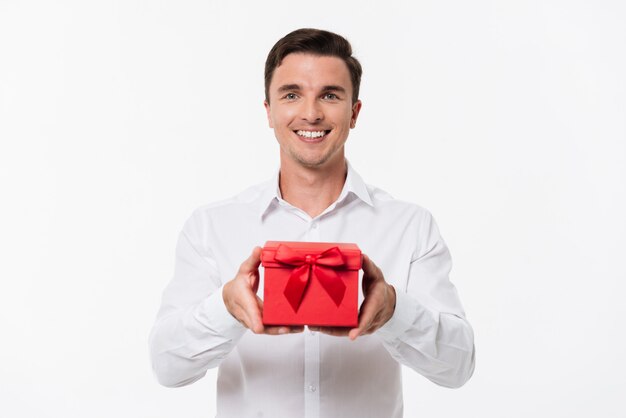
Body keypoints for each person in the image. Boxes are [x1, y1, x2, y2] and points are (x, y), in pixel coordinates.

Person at [149, 28, 475, 418]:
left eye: (330, 95)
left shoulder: (409, 225)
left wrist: (393, 310)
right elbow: (167, 367)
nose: (311, 113)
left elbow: (458, 368)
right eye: (291, 94)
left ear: (354, 113)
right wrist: (226, 309)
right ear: (268, 111)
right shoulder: (211, 226)